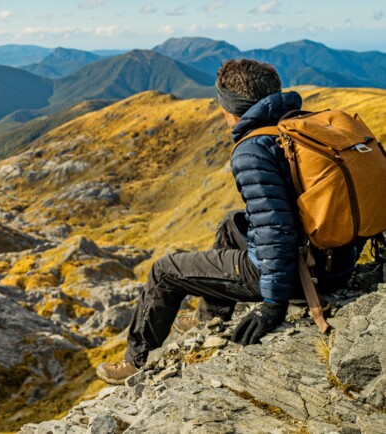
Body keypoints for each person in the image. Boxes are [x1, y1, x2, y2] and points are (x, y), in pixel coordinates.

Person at [95, 59, 364, 385]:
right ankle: (211, 317)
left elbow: (274, 230)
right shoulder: (302, 130)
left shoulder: (252, 149)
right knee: (230, 223)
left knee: (164, 272)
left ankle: (135, 362)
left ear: (231, 109)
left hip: (301, 276)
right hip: (336, 263)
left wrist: (273, 305)